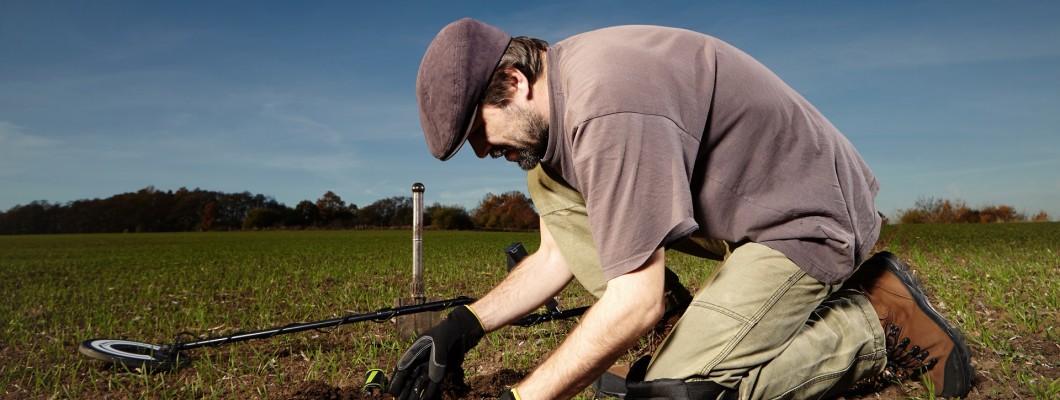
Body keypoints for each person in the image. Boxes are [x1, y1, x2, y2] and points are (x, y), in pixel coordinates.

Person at [390, 18, 975, 400]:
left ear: (514, 82)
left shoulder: (606, 110)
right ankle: (692, 334)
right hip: (748, 213)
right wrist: (461, 327)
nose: (484, 151)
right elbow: (557, 253)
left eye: (479, 133)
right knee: (546, 183)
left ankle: (875, 323)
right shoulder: (557, 123)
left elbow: (633, 300)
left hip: (806, 220)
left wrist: (526, 397)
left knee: (675, 395)